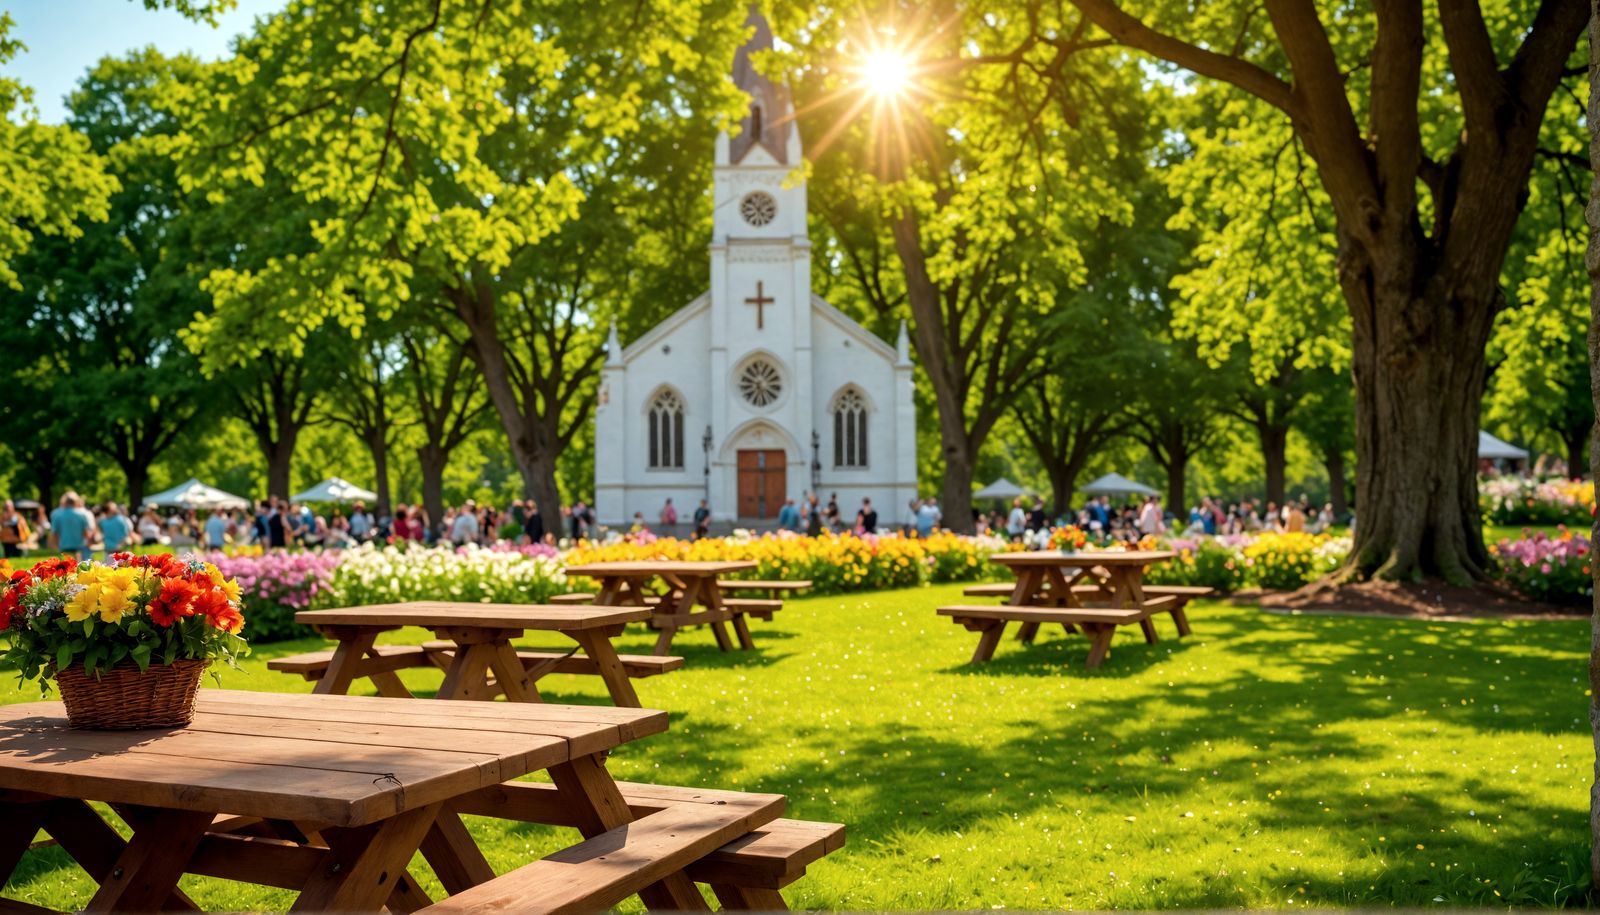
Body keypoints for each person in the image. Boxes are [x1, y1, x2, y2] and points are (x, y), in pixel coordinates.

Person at [48, 492, 95, 560]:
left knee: (67, 569)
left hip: (64, 549)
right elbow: (86, 533)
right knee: (79, 568)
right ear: (76, 502)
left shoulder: (57, 516)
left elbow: (54, 534)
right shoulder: (82, 515)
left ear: (64, 502)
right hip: (79, 549)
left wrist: (56, 547)